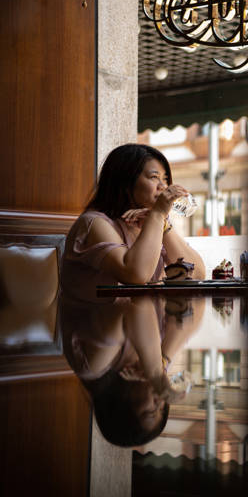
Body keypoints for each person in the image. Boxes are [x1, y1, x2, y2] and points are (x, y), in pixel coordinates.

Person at [59, 143, 206, 446]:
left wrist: (161, 223)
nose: (163, 187)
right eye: (155, 177)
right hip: (82, 320)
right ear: (125, 181)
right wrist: (157, 369)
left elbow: (194, 274)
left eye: (165, 179)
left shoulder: (146, 225)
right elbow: (136, 275)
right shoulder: (94, 224)